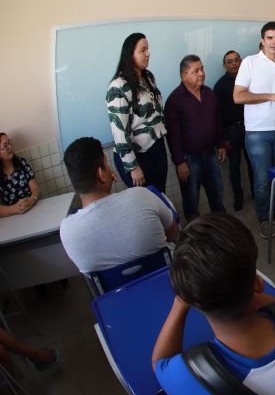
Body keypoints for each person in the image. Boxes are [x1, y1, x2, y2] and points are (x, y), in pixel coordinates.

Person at [152, 213, 275, 395]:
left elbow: (160, 366)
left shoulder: (189, 373)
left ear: (193, 301)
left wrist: (179, 304)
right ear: (258, 283)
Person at [60, 137, 178, 273]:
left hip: (113, 294)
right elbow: (173, 233)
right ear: (101, 174)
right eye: (107, 164)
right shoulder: (142, 196)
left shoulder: (67, 231)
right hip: (164, 279)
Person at [234, 22, 275, 228]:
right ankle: (264, 218)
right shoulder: (249, 63)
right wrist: (270, 96)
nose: (274, 42)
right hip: (257, 132)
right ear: (262, 40)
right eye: (269, 38)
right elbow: (238, 96)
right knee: (262, 180)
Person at [164, 55, 226, 222]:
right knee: (191, 200)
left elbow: (217, 120)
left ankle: (221, 229)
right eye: (195, 71)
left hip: (211, 154)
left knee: (217, 194)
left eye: (202, 69)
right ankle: (194, 238)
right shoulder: (174, 100)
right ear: (183, 76)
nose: (201, 74)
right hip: (189, 159)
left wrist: (220, 144)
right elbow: (173, 135)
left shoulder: (209, 93)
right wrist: (179, 162)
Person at [106, 32, 168, 191]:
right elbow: (119, 131)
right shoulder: (118, 86)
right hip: (138, 156)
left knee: (161, 197)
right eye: (142, 50)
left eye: (148, 49)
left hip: (156, 147)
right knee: (148, 202)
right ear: (130, 55)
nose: (148, 53)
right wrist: (133, 167)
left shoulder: (148, 78)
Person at [213, 50, 254, 212]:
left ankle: (256, 193)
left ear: (241, 61)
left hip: (250, 127)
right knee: (234, 167)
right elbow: (217, 115)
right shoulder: (220, 85)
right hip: (232, 131)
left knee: (253, 163)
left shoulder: (249, 80)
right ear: (225, 65)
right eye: (229, 61)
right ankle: (238, 197)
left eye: (236, 60)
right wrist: (223, 139)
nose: (234, 64)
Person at [0, 133, 40, 217]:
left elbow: (35, 189)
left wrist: (31, 201)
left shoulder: (22, 163)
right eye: (5, 146)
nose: (9, 147)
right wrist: (15, 209)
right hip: (12, 218)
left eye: (9, 143)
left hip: (32, 209)